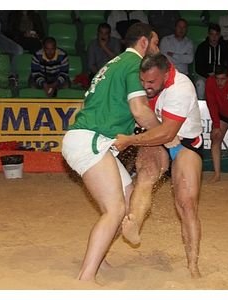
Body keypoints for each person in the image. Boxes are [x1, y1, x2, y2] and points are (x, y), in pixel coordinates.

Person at [61, 23, 161, 281]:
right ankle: (86, 278)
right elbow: (139, 111)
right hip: (91, 140)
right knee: (115, 209)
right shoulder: (132, 64)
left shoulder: (114, 63)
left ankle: (99, 256)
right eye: (155, 43)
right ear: (143, 42)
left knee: (128, 201)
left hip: (93, 140)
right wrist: (166, 135)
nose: (158, 49)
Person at [113, 53, 204, 279]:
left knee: (186, 205)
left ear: (166, 74)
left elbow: (168, 133)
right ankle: (134, 221)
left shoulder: (181, 87)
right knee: (145, 176)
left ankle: (193, 266)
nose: (146, 86)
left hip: (183, 144)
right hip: (155, 138)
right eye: (143, 81)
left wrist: (129, 140)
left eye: (151, 82)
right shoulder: (143, 82)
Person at [194, 23, 228, 99]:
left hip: (222, 75)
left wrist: (221, 76)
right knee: (200, 83)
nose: (214, 37)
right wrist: (209, 76)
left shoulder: (225, 46)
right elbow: (198, 68)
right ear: (208, 35)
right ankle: (201, 104)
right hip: (205, 75)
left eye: (217, 34)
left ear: (219, 35)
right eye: (212, 34)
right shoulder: (202, 47)